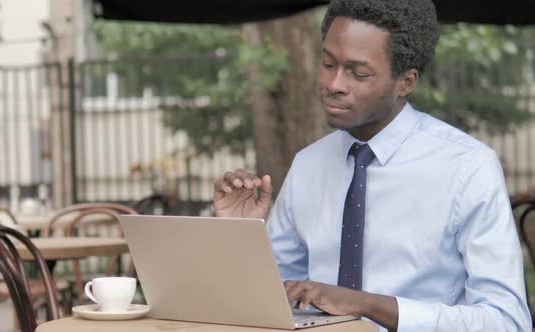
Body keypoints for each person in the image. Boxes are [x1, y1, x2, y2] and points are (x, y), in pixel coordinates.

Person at [212, 0, 532, 331]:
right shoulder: (309, 164)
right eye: (327, 63)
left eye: (358, 72)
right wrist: (243, 237)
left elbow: (507, 321)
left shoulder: (468, 167)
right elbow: (271, 298)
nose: (334, 84)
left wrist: (367, 305)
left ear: (406, 82)